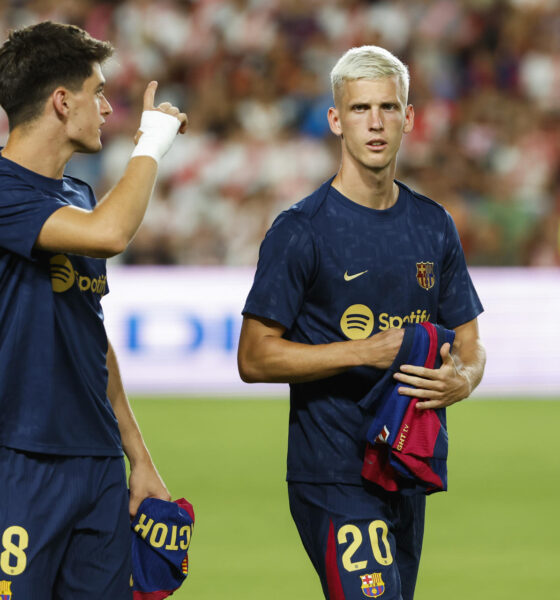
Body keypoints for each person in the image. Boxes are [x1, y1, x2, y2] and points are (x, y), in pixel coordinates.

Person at [238, 45, 486, 600]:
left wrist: (463, 378)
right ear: (335, 120)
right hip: (332, 472)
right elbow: (253, 356)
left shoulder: (433, 224)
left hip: (408, 467)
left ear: (410, 118)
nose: (375, 122)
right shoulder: (301, 230)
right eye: (359, 109)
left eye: (388, 108)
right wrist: (363, 352)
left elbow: (469, 340)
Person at [0, 21, 187, 599]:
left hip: (98, 465)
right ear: (61, 102)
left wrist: (139, 459)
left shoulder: (76, 196)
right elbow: (110, 234)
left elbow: (92, 337)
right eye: (97, 92)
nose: (108, 107)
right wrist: (150, 142)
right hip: (17, 460)